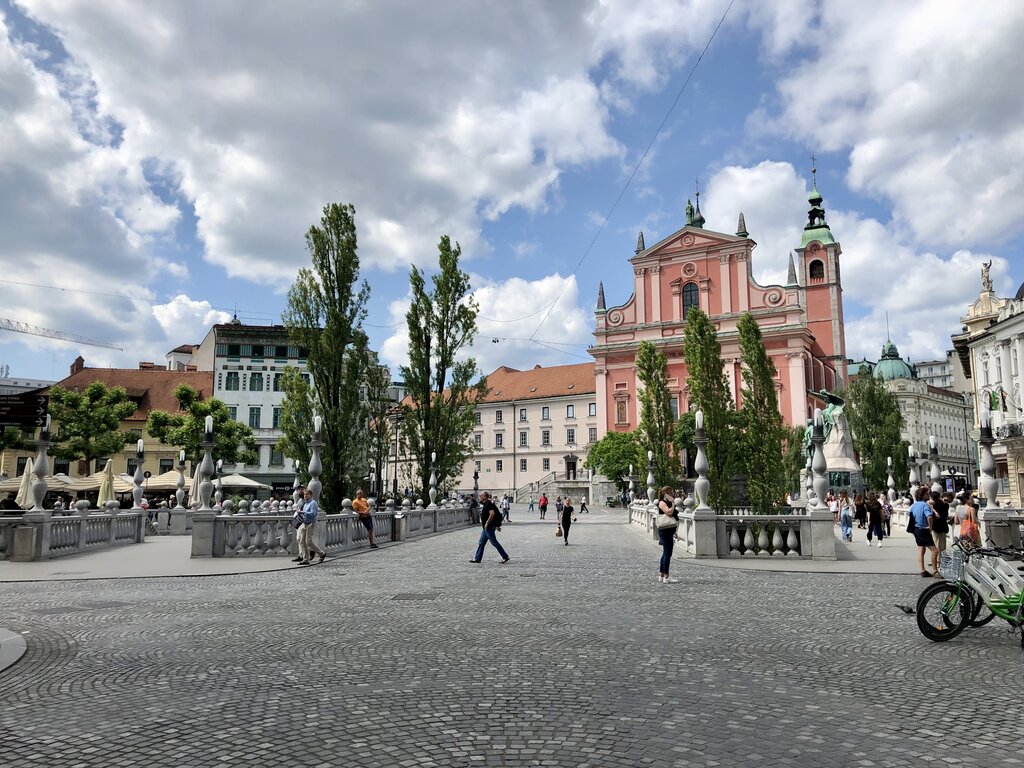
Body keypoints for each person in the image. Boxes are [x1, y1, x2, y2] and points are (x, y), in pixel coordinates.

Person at [470, 492, 509, 564]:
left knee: (494, 542)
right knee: (481, 543)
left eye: (481, 495)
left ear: (485, 497)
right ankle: (477, 558)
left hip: (489, 527)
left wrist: (487, 523)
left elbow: (492, 513)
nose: (480, 496)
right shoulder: (486, 504)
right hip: (486, 527)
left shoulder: (488, 504)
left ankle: (505, 556)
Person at [909, 487, 938, 577]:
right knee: (935, 551)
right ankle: (935, 570)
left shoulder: (914, 505)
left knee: (921, 549)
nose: (928, 495)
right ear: (922, 495)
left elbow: (910, 515)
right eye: (926, 494)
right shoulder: (925, 505)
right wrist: (930, 527)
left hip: (916, 529)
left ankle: (922, 570)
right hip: (923, 529)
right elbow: (929, 517)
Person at [297, 489, 326, 566]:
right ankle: (305, 559)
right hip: (304, 523)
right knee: (301, 541)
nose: (305, 496)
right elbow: (305, 515)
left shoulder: (313, 503)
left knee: (308, 541)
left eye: (307, 494)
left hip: (311, 523)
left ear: (311, 495)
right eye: (304, 495)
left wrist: (303, 512)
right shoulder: (305, 504)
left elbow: (313, 514)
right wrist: (299, 514)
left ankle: (321, 553)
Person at [656, 486, 679, 584]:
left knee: (665, 553)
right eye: (670, 493)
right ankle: (666, 576)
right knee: (667, 553)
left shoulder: (664, 502)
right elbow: (669, 513)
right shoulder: (662, 502)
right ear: (665, 493)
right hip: (665, 530)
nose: (672, 495)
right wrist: (673, 503)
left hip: (668, 529)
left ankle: (661, 575)